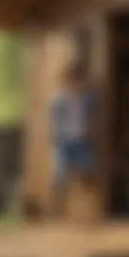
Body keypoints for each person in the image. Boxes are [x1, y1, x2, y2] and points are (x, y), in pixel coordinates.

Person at [48, 63, 97, 216]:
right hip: (64, 142)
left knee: (90, 170)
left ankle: (89, 210)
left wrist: (91, 133)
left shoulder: (87, 100)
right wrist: (54, 137)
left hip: (81, 142)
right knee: (60, 177)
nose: (76, 85)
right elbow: (53, 121)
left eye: (79, 81)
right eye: (73, 81)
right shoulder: (58, 100)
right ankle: (55, 211)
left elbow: (93, 117)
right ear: (67, 82)